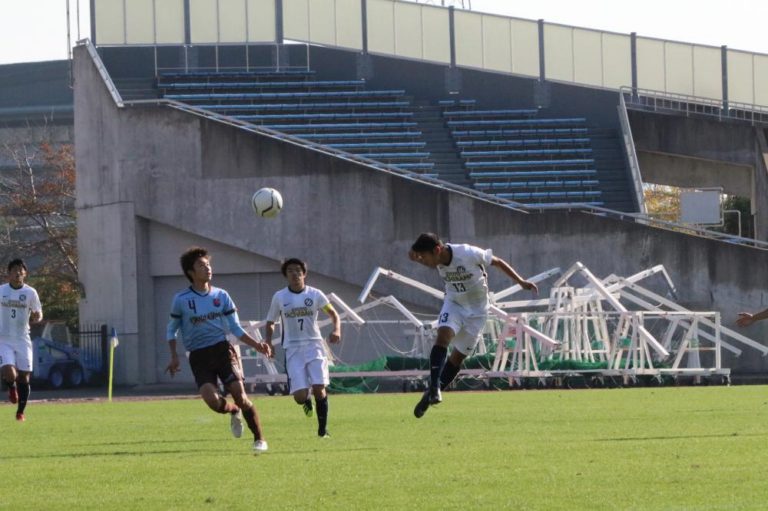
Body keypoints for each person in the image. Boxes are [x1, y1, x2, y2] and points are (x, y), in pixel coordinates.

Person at [408, 233, 538, 418]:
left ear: (437, 250)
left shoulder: (467, 253)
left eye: (425, 257)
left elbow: (498, 262)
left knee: (457, 358)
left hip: (477, 311)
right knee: (443, 336)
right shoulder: (436, 258)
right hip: (454, 304)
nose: (424, 262)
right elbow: (418, 256)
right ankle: (435, 387)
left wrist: (521, 282)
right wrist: (414, 254)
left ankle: (429, 395)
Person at [165, 247, 273, 454]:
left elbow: (235, 328)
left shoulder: (221, 295)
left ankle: (259, 439)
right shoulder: (181, 300)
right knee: (212, 401)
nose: (207, 268)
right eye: (201, 265)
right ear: (190, 272)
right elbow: (171, 330)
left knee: (240, 396)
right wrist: (173, 357)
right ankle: (233, 411)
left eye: (208, 264)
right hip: (198, 356)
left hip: (223, 351)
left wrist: (258, 345)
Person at [264, 258, 341, 438]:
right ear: (285, 275)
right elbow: (270, 322)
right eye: (290, 270)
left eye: (298, 270)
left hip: (315, 345)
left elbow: (333, 313)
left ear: (304, 274)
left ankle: (323, 431)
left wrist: (336, 329)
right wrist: (268, 342)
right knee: (299, 396)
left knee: (319, 387)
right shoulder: (280, 297)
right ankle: (306, 401)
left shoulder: (315, 294)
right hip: (292, 349)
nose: (295, 274)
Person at [0, 258, 43, 422]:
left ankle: (20, 412)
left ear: (25, 273)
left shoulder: (30, 293)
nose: (18, 273)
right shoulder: (1, 291)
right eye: (14, 270)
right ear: (8, 274)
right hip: (3, 339)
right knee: (9, 371)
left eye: (21, 270)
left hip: (22, 338)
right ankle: (11, 387)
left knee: (24, 376)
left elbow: (38, 311)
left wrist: (38, 316)